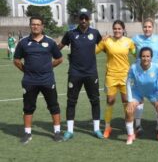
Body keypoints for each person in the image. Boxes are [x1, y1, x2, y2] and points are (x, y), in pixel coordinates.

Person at [13, 16, 63, 144]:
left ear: (42, 26)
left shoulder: (50, 42)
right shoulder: (23, 42)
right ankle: (27, 133)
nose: (35, 26)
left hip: (47, 80)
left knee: (53, 106)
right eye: (33, 24)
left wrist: (47, 67)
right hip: (30, 81)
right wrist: (26, 70)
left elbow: (59, 59)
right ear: (30, 26)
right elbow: (16, 60)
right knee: (28, 108)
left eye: (38, 24)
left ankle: (57, 132)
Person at [58, 8, 103, 140]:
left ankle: (96, 129)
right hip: (75, 73)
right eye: (81, 18)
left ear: (89, 19)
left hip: (91, 73)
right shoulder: (70, 33)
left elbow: (106, 48)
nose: (83, 20)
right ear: (78, 19)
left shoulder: (95, 33)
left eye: (86, 18)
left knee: (95, 101)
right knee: (71, 101)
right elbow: (58, 47)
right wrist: (45, 53)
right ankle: (70, 131)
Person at [95, 20, 136, 139]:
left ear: (123, 29)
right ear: (113, 30)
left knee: (126, 102)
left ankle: (129, 125)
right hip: (111, 76)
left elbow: (136, 54)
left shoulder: (129, 42)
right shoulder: (107, 41)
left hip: (125, 76)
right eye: (115, 29)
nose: (117, 31)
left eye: (119, 28)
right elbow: (95, 51)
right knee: (110, 101)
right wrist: (100, 39)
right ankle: (107, 127)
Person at [125, 47, 158, 145]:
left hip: (153, 92)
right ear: (140, 57)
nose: (145, 58)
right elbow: (128, 83)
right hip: (137, 92)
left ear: (151, 57)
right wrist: (130, 100)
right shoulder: (134, 67)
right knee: (129, 110)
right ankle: (131, 135)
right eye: (143, 56)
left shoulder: (157, 68)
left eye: (148, 56)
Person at [132, 18, 158, 133]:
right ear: (142, 28)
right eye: (145, 26)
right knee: (139, 99)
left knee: (156, 100)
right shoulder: (136, 38)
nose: (147, 29)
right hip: (140, 73)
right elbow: (131, 49)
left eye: (149, 27)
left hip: (154, 74)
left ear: (153, 27)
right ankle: (138, 125)